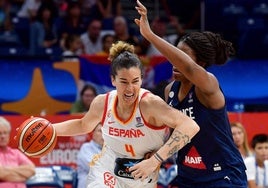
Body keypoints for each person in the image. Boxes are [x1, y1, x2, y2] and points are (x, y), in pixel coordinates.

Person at [51, 40, 200, 188]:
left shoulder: (150, 104)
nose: (130, 89)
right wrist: (50, 129)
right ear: (113, 80)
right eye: (124, 82)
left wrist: (155, 159)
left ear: (142, 79)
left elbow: (190, 126)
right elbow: (82, 124)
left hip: (142, 178)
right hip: (106, 171)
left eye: (135, 81)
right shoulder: (102, 102)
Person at [134, 0, 247, 187]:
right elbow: (173, 133)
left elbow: (188, 66)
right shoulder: (170, 90)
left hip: (222, 175)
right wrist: (154, 153)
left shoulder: (208, 85)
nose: (173, 61)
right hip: (188, 176)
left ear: (200, 64)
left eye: (182, 55)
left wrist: (150, 35)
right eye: (175, 54)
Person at [0, 116, 35, 188]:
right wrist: (22, 176)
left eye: (5, 133)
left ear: (9, 134)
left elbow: (31, 170)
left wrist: (5, 169)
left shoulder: (16, 153)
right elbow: (1, 174)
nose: (3, 136)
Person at [76, 123, 104, 188]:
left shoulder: (110, 151)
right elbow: (94, 168)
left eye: (105, 131)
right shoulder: (86, 148)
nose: (103, 134)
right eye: (100, 131)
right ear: (92, 133)